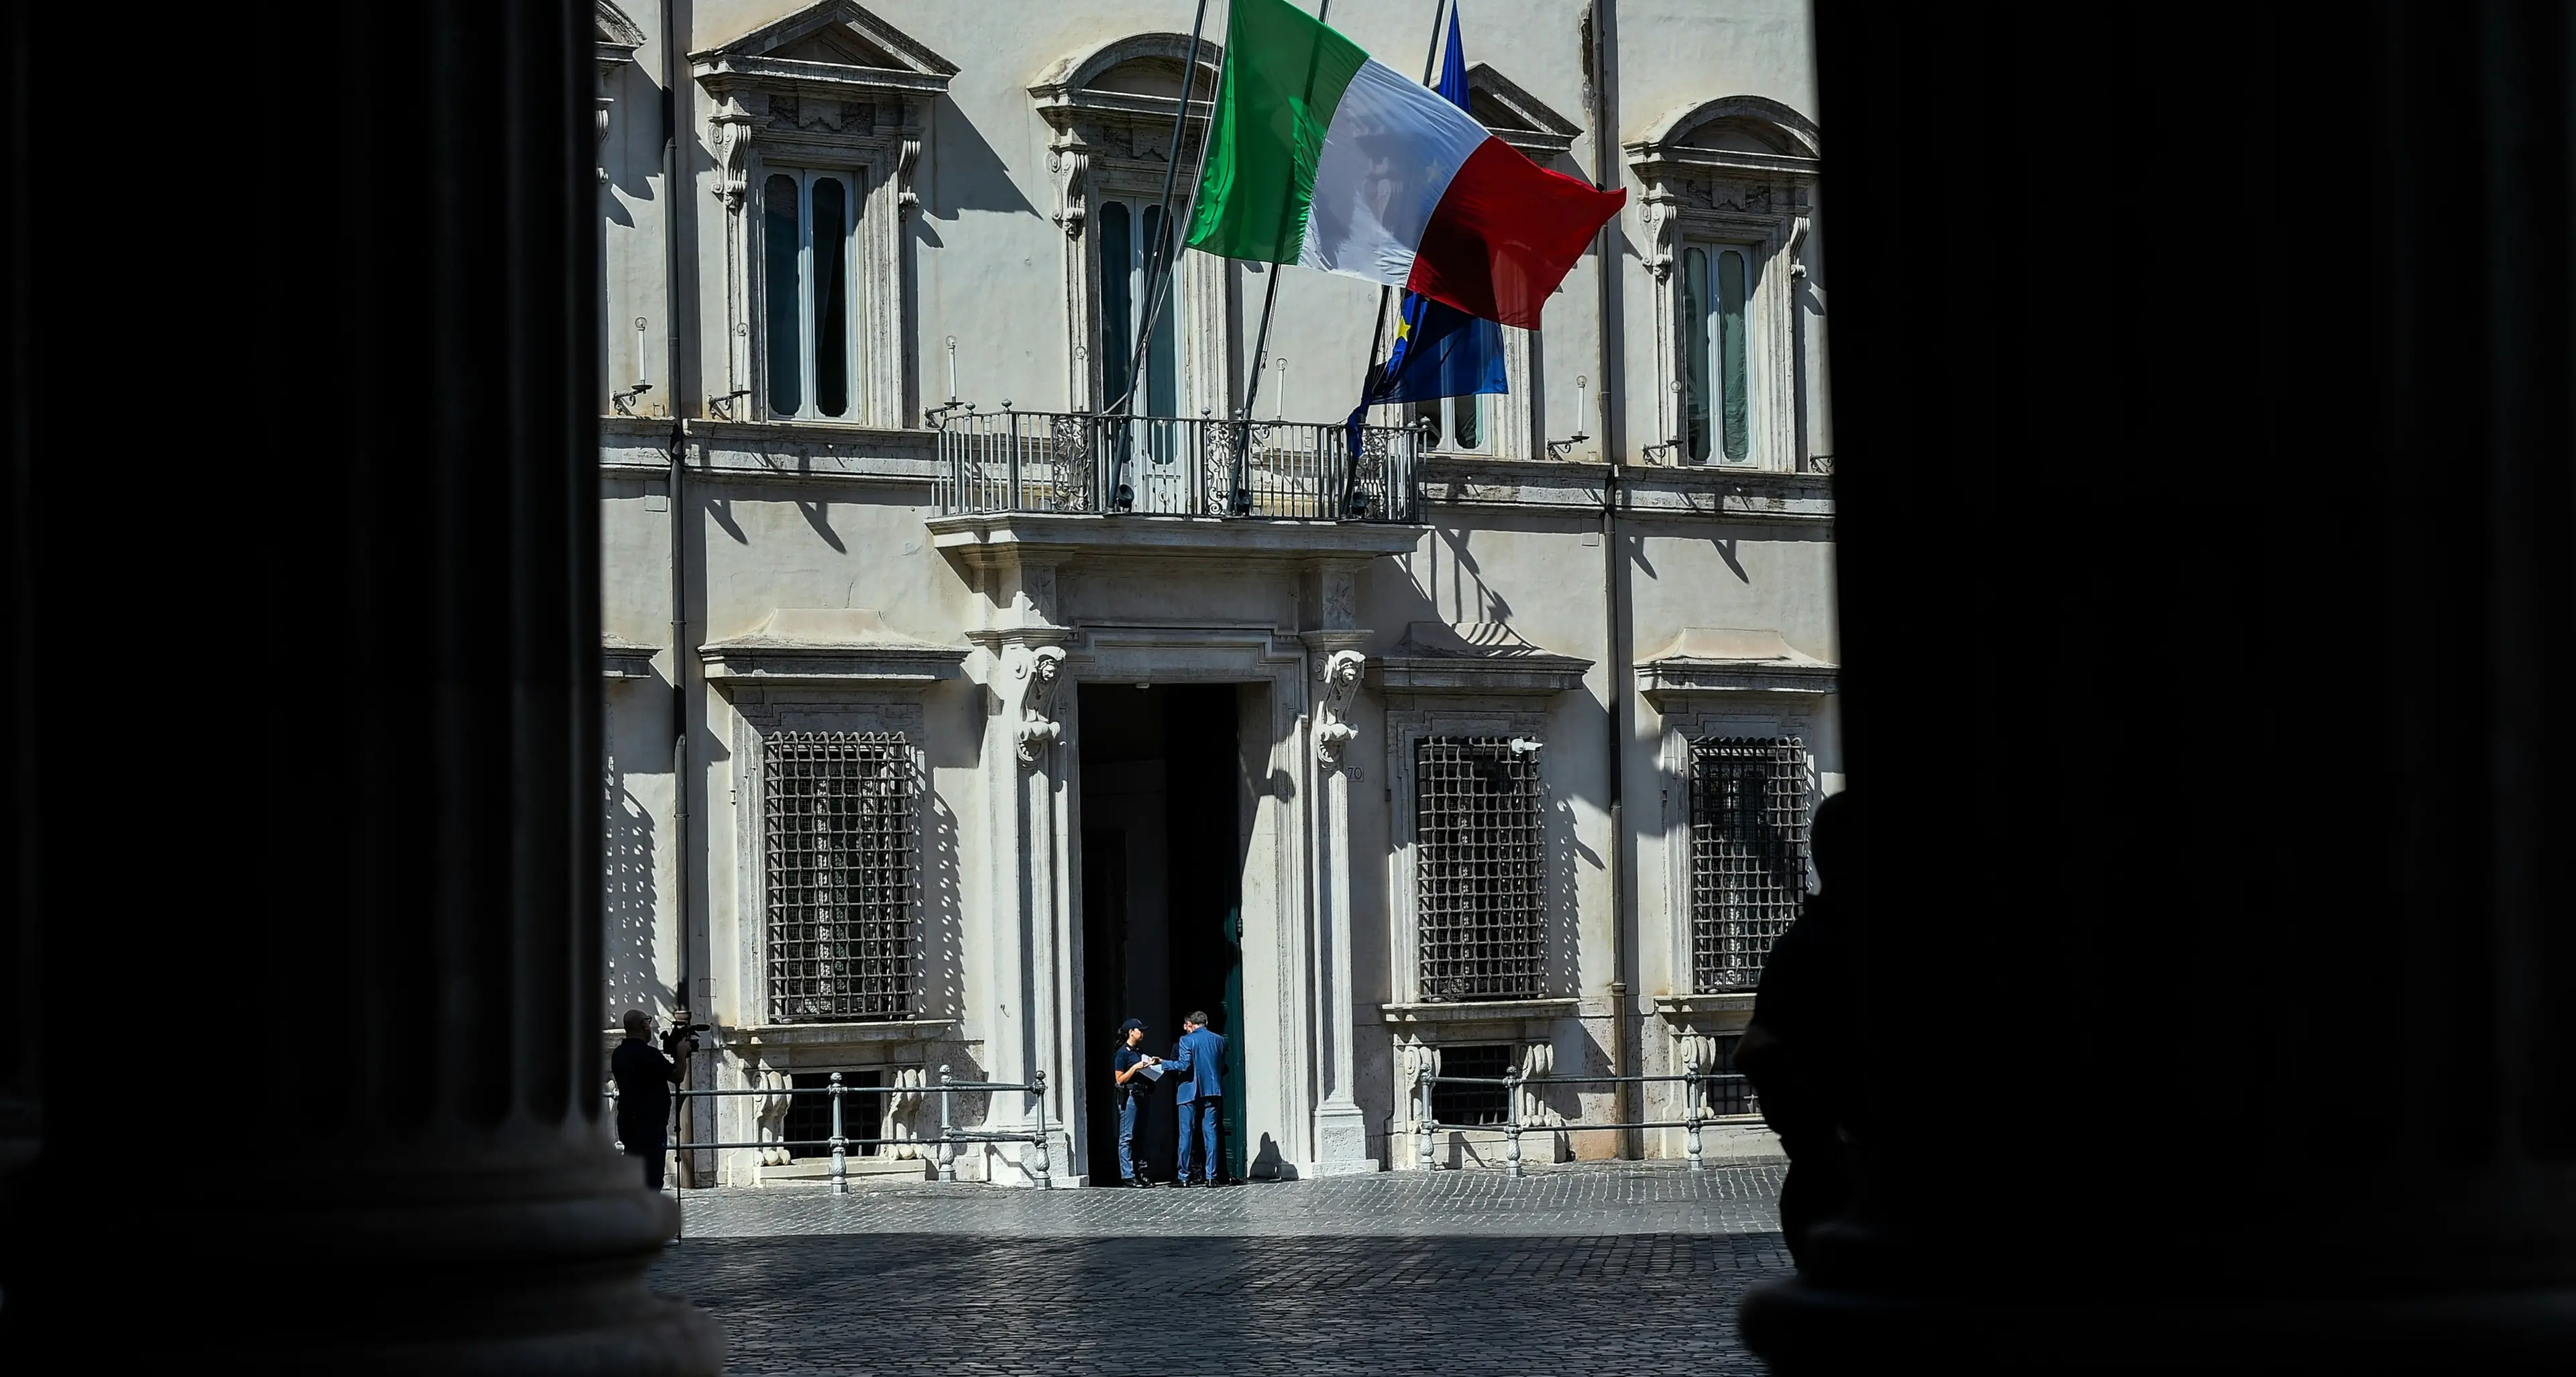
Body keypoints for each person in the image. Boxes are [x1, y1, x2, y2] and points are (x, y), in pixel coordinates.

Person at [1736, 790, 1865, 1266]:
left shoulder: (1801, 947)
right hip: (1836, 1191)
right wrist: (1826, 1145)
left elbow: (1755, 1050)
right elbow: (1756, 1051)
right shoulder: (1810, 950)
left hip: (1822, 1186)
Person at [610, 1008, 689, 1191]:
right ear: (644, 1025)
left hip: (628, 1125)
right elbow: (677, 1076)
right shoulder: (649, 1054)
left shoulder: (618, 1054)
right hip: (651, 1127)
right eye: (648, 1021)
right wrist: (681, 1053)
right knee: (652, 1178)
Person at [1164, 1010, 1230, 1187]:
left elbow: (1184, 1065)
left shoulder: (1187, 1040)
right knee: (1211, 1134)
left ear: (1192, 1025)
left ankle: (1184, 1177)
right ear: (1206, 1022)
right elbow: (1222, 1065)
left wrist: (1162, 1063)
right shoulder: (1219, 1040)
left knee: (1186, 1133)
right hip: (1212, 1090)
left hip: (1189, 1091)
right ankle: (1211, 1177)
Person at [1110, 1018, 1163, 1187]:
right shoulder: (1122, 1053)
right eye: (1140, 1030)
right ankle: (1128, 1175)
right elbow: (1119, 1079)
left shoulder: (1139, 1051)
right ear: (1131, 1032)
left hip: (1142, 1093)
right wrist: (1135, 1068)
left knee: (1141, 1136)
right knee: (1127, 1136)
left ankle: (1142, 1173)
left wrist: (1152, 1065)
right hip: (1129, 1095)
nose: (1142, 1033)